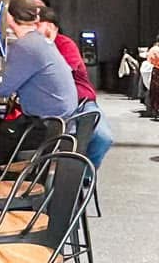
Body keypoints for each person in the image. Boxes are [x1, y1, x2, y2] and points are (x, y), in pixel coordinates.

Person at [0, 0, 77, 169]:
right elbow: (11, 75)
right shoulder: (40, 42)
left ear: (9, 18)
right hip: (61, 124)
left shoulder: (24, 47)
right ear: (37, 17)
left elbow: (2, 89)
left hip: (44, 129)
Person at [42, 9, 113, 167]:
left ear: (52, 27)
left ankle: (83, 177)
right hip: (54, 107)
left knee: (103, 138)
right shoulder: (32, 48)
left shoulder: (64, 44)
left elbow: (62, 73)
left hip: (82, 101)